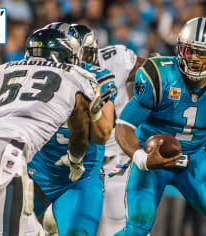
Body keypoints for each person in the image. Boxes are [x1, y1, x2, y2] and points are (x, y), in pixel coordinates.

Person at [114, 17, 206, 236]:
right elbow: (124, 126)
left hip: (194, 158)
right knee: (138, 228)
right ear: (179, 50)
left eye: (202, 53)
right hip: (153, 157)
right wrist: (143, 159)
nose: (194, 59)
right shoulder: (159, 75)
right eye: (189, 51)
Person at [0, 28, 109, 235]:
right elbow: (80, 128)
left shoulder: (4, 69)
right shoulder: (77, 76)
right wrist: (75, 158)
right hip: (9, 151)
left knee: (5, 231)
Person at [71, 23, 147, 236]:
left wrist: (139, 104)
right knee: (79, 215)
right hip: (81, 151)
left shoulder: (116, 58)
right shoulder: (60, 74)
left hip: (117, 148)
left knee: (117, 207)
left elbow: (149, 73)